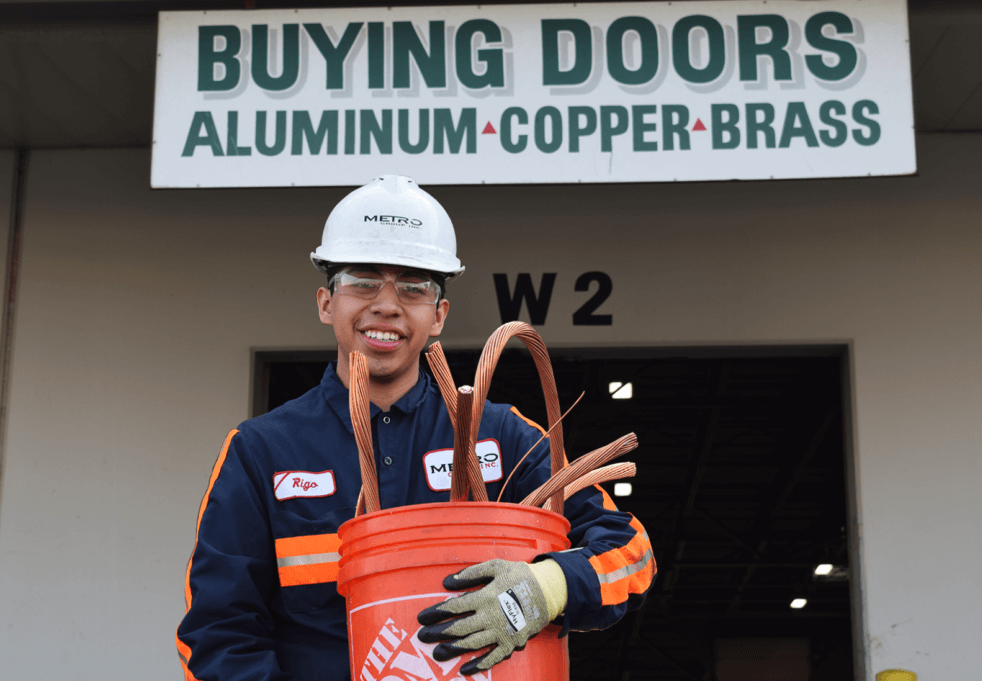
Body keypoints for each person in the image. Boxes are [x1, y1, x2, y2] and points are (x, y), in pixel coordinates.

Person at [175, 175, 655, 681]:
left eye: (413, 286)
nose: (387, 304)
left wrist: (546, 589)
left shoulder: (505, 438)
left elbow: (630, 554)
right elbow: (218, 634)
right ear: (325, 303)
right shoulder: (261, 452)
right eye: (362, 281)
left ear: (439, 315)